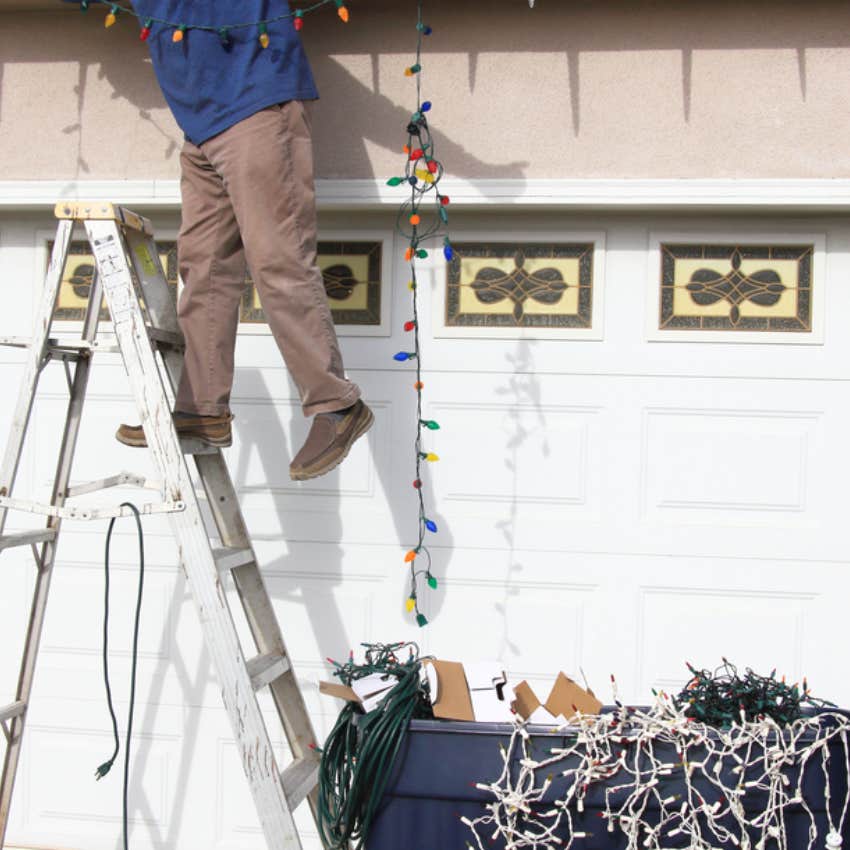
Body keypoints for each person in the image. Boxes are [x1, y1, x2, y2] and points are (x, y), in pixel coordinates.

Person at [115, 0, 373, 481]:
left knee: (279, 259)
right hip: (198, 129)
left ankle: (337, 405)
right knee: (203, 268)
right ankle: (203, 409)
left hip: (257, 103)